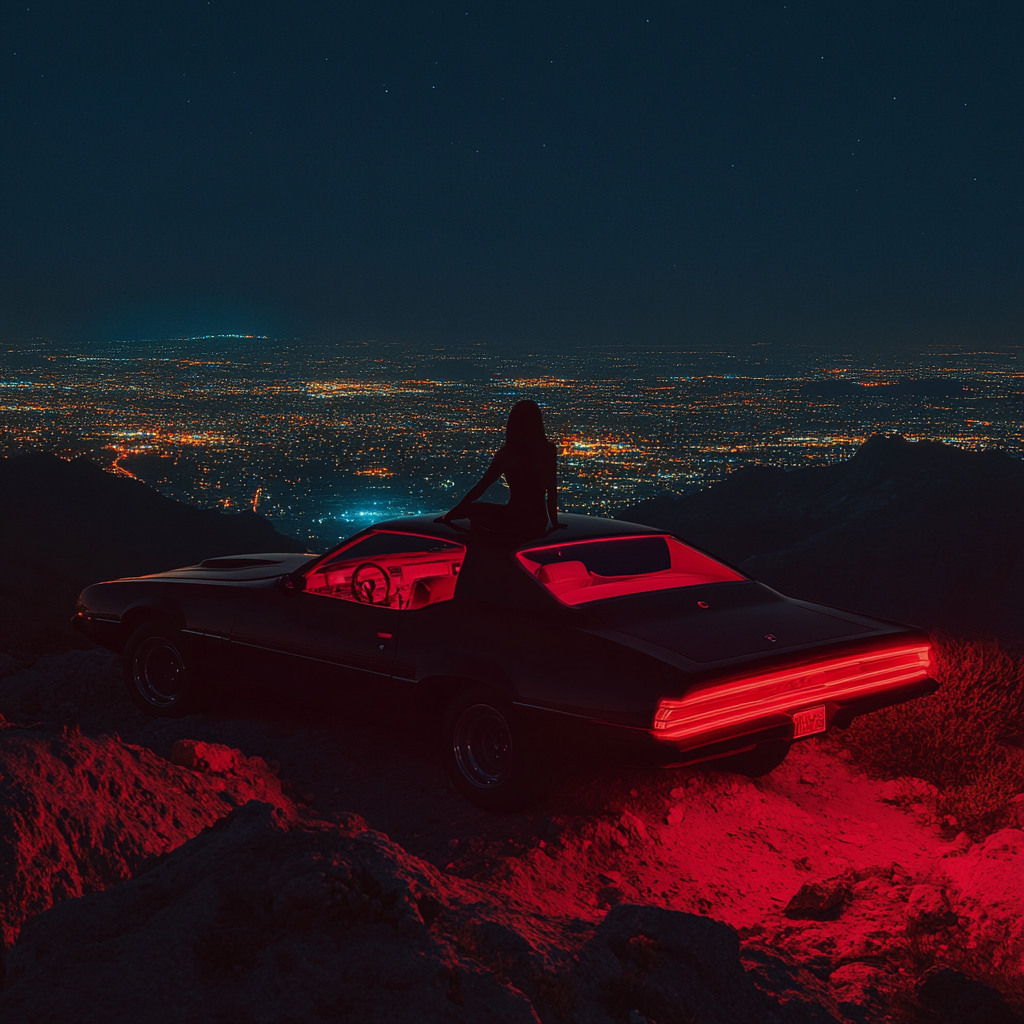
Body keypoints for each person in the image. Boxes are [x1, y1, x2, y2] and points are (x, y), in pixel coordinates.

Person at [442, 399, 561, 536]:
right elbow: (552, 491)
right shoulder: (548, 451)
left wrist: (453, 513)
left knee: (471, 511)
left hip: (514, 518)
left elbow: (482, 486)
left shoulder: (508, 455)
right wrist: (554, 521)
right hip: (538, 521)